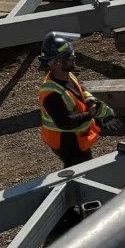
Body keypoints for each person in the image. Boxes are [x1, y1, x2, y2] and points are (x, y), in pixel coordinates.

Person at [38, 32, 116, 167]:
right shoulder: (52, 95)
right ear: (56, 62)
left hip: (76, 135)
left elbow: (81, 92)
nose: (74, 58)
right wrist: (90, 114)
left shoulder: (68, 76)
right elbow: (66, 123)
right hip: (65, 141)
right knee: (78, 171)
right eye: (69, 56)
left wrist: (91, 101)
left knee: (84, 167)